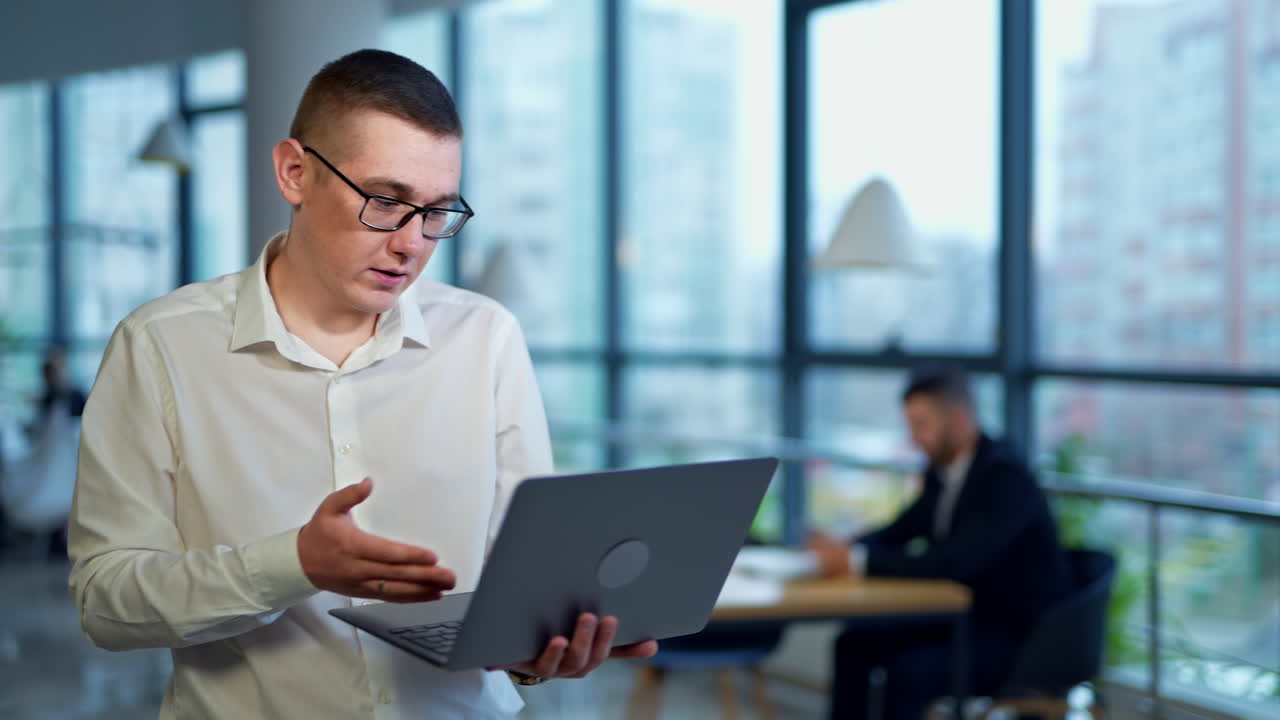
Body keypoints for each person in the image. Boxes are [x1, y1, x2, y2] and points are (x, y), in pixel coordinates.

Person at [68, 49, 655, 719]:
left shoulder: (486, 337)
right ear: (294, 172)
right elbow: (105, 604)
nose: (412, 243)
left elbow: (521, 580)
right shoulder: (160, 346)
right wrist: (292, 565)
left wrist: (535, 648)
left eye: (437, 211)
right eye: (386, 200)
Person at [808, 364, 1071, 720]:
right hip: (960, 620)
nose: (914, 437)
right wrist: (846, 546)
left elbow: (952, 563)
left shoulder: (1004, 477)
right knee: (854, 643)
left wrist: (856, 561)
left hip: (1014, 637)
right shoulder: (943, 469)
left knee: (909, 672)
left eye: (921, 425)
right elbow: (899, 530)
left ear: (959, 418)